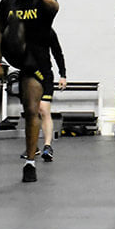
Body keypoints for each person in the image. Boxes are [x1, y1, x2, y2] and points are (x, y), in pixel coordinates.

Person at [0, 0, 60, 183]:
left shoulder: (44, 0)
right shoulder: (7, 2)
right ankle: (30, 157)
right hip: (19, 60)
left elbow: (55, 6)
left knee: (34, 110)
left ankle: (30, 162)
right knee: (29, 109)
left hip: (39, 62)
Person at [37, 28, 68, 162]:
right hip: (29, 73)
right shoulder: (25, 28)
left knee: (44, 109)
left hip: (45, 75)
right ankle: (32, 146)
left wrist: (63, 75)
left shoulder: (48, 30)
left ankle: (47, 146)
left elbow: (57, 52)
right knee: (32, 111)